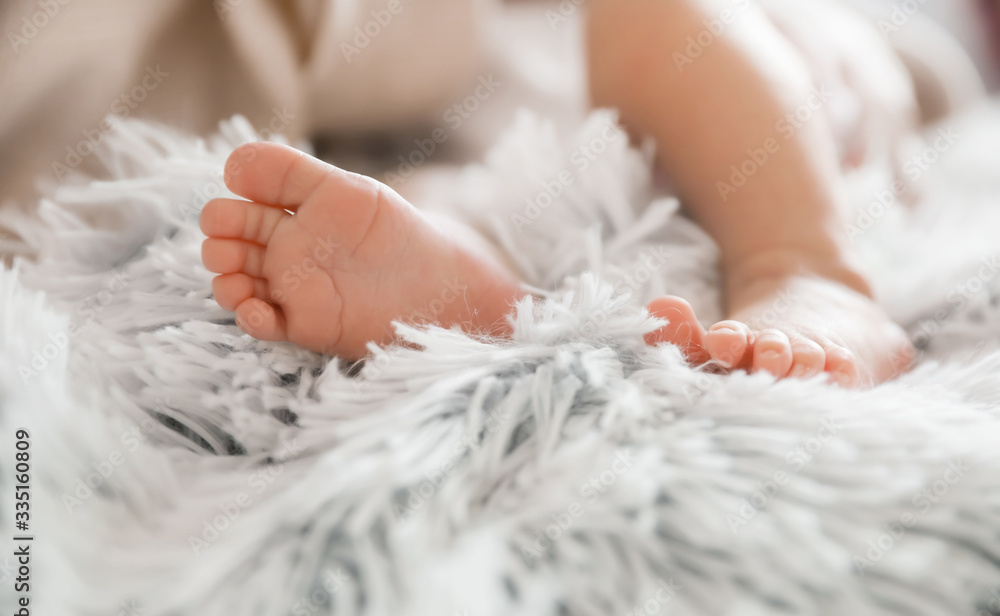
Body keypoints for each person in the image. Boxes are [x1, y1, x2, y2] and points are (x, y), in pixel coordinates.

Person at [200, 0, 979, 387]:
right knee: (404, 198)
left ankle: (803, 266)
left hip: (725, 121)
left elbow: (919, 69)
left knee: (658, 19)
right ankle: (497, 302)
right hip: (514, 160)